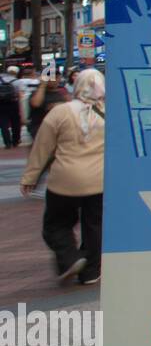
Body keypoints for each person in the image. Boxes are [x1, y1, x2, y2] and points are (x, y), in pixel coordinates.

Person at [21, 68, 106, 285]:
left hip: (64, 180)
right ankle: (91, 271)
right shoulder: (110, 113)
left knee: (55, 225)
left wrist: (30, 177)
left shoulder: (60, 112)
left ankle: (69, 258)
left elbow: (43, 147)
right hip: (99, 180)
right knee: (94, 226)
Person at [27, 73, 71, 142]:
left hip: (59, 129)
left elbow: (70, 107)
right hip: (40, 128)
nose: (55, 81)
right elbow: (36, 103)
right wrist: (42, 85)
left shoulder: (61, 93)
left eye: (57, 78)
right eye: (52, 78)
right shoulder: (37, 92)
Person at [0, 65, 21, 148]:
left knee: (3, 124)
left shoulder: (0, 80)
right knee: (15, 122)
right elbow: (20, 94)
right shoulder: (18, 81)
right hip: (13, 103)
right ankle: (15, 141)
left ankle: (7, 143)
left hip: (1, 104)